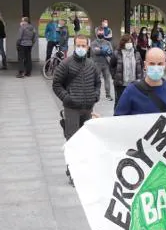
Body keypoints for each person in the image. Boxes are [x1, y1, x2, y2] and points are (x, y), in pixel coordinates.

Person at [52, 34, 101, 186]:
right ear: (74, 46)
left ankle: (83, 169)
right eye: (78, 45)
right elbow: (56, 84)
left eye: (83, 46)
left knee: (86, 141)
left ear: (88, 47)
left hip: (87, 108)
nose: (81, 48)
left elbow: (97, 83)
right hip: (72, 109)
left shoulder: (92, 64)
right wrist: (67, 98)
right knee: (72, 141)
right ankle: (73, 172)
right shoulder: (66, 64)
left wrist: (96, 96)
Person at [115, 48, 166, 116]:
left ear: (165, 65)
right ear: (145, 65)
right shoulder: (132, 90)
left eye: (160, 64)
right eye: (152, 64)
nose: (156, 68)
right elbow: (119, 119)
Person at [110, 34, 143, 110]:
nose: (129, 44)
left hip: (134, 84)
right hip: (121, 84)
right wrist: (115, 76)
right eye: (127, 42)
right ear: (123, 43)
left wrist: (140, 78)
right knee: (119, 102)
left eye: (130, 42)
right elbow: (111, 66)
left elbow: (141, 66)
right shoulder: (116, 53)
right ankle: (117, 119)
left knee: (134, 102)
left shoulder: (136, 54)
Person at [90, 29, 114, 101]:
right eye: (99, 32)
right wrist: (104, 50)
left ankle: (108, 95)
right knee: (96, 80)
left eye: (102, 32)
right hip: (96, 63)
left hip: (106, 63)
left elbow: (111, 51)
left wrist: (100, 49)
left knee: (107, 79)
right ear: (96, 33)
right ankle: (95, 95)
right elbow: (95, 51)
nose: (101, 33)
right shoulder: (93, 43)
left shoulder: (107, 42)